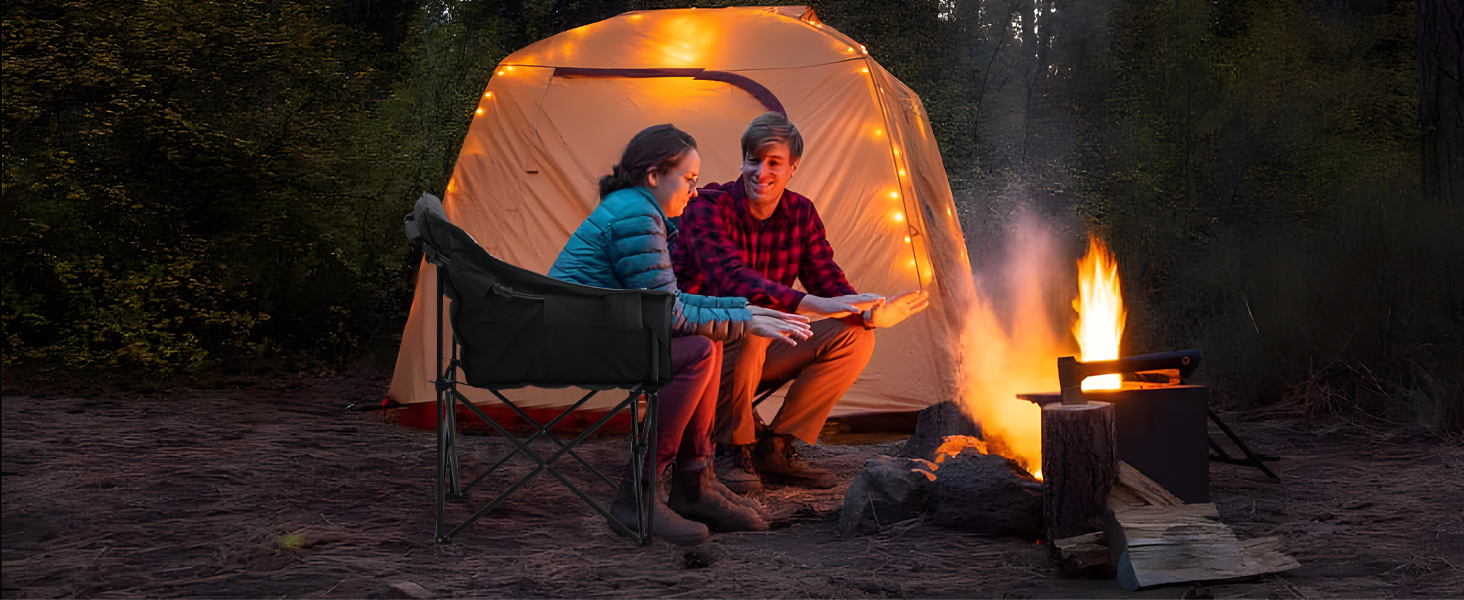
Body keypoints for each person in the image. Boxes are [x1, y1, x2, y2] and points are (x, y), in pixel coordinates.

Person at [548, 124, 812, 546]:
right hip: (579, 342)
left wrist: (745, 309)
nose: (695, 191)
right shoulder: (636, 215)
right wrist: (746, 321)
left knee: (705, 345)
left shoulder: (636, 208)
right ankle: (639, 496)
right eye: (689, 179)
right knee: (697, 352)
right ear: (655, 175)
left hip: (596, 331)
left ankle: (695, 484)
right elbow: (668, 313)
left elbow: (667, 299)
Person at [671, 112, 931, 494]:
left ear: (793, 167)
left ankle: (776, 446)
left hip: (762, 346)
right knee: (751, 322)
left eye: (774, 163)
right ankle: (731, 449)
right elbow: (731, 279)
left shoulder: (800, 212)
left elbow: (827, 279)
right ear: (742, 161)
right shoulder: (706, 207)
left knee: (855, 336)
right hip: (700, 344)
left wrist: (869, 313)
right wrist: (813, 304)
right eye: (754, 160)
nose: (761, 172)